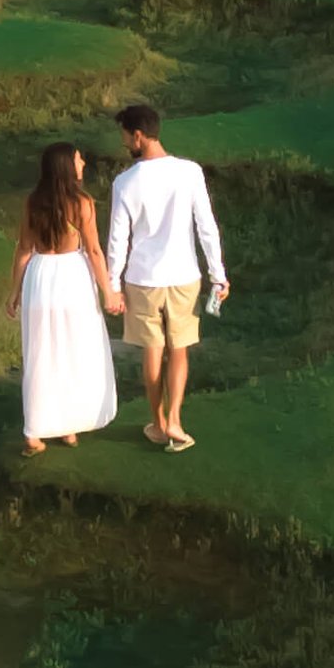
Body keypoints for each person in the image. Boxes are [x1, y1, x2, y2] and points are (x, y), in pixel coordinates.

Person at [105, 103, 229, 454]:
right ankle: (174, 420)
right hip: (184, 276)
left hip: (142, 278)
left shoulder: (125, 182)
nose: (125, 143)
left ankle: (159, 424)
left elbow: (118, 239)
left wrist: (113, 285)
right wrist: (217, 275)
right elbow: (207, 227)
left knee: (152, 350)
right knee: (179, 350)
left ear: (139, 136)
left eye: (126, 136)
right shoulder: (189, 172)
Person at [6, 142, 119, 457]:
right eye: (78, 159)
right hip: (72, 278)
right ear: (67, 167)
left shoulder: (33, 202)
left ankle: (36, 432)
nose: (83, 162)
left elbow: (24, 249)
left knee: (41, 353)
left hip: (40, 278)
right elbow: (94, 251)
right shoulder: (81, 203)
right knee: (73, 351)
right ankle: (67, 427)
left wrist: (14, 292)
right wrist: (108, 291)